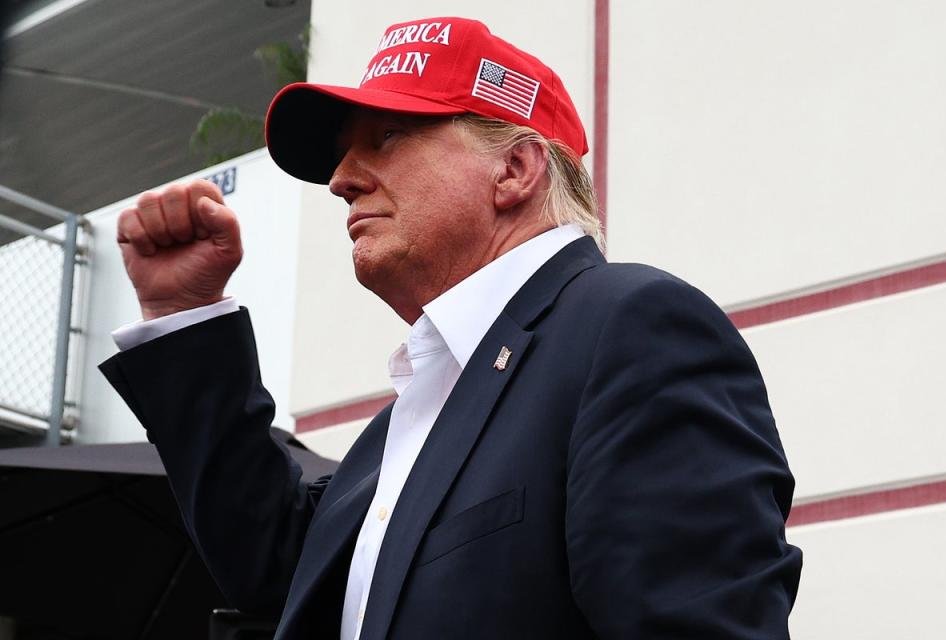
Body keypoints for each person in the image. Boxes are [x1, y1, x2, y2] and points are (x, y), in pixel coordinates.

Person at [101, 16, 801, 640]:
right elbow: (274, 563)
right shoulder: (408, 423)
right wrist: (184, 313)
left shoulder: (633, 330)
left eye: (390, 136)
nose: (342, 177)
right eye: (348, 152)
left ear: (515, 170)